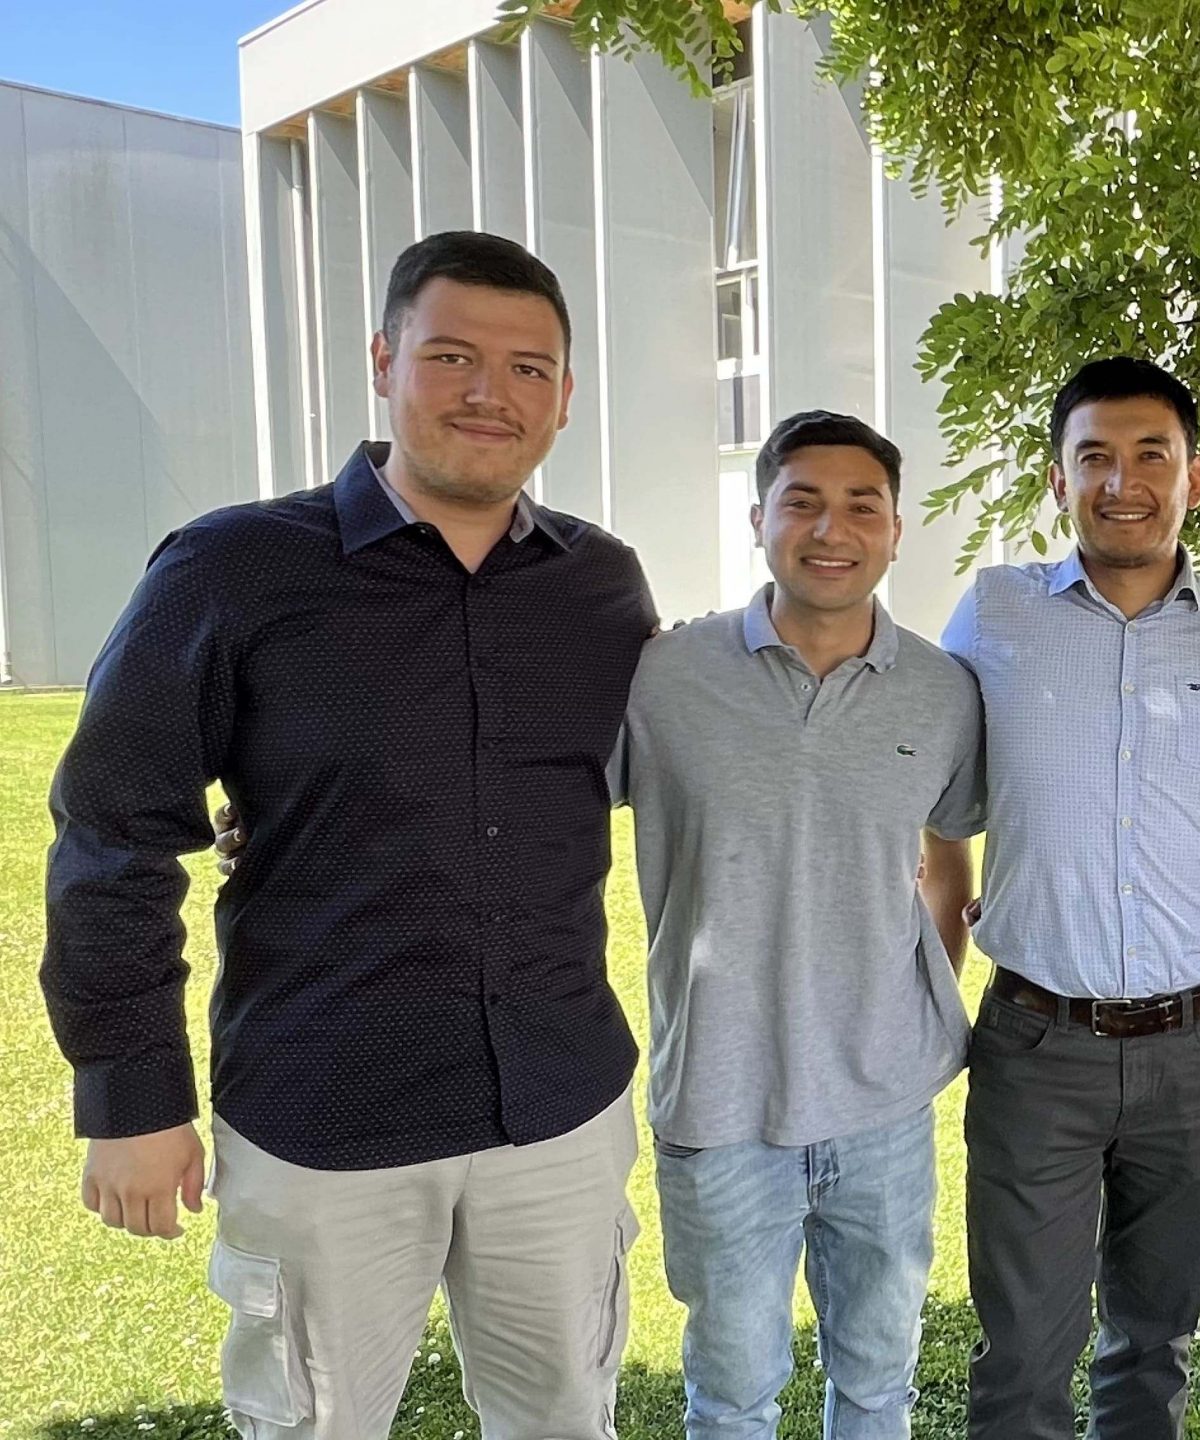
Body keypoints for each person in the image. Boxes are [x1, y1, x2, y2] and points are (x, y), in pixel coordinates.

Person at [41, 231, 655, 1439]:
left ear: (567, 396)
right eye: (454, 356)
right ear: (384, 360)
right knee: (313, 1425)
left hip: (559, 1105)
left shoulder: (604, 587)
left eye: (531, 368)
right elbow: (112, 828)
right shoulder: (234, 568)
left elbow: (663, 769)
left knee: (568, 1418)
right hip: (326, 1113)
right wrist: (130, 1095)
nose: (493, 393)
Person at [922, 357, 1200, 1439]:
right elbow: (937, 789)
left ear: (1196, 479)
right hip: (1039, 1045)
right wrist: (960, 908)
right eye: (1094, 458)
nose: (1122, 481)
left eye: (1150, 456)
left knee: (1153, 1344)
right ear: (1057, 480)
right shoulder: (991, 613)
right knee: (1024, 1353)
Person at [619, 410, 985, 1439]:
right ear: (758, 518)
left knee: (878, 1381)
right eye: (804, 502)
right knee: (732, 1396)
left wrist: (917, 996)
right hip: (720, 1100)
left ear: (896, 530)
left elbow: (949, 854)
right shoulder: (663, 677)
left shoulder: (942, 690)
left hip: (883, 1102)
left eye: (861, 505)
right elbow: (528, 797)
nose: (833, 528)